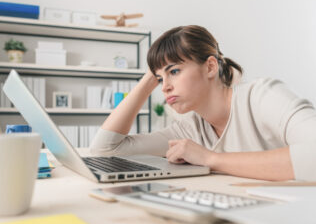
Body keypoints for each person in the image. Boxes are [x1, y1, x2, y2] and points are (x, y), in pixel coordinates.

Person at [90, 25, 316, 181]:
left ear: (210, 67)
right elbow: (104, 151)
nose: (164, 86)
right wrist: (149, 77)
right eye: (159, 79)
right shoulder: (189, 129)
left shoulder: (262, 97)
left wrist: (211, 159)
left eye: (174, 71)